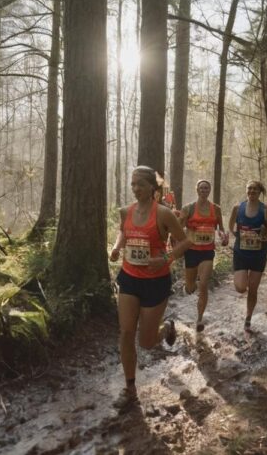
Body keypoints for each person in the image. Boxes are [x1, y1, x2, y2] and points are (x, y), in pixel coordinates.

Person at [109, 166, 191, 409]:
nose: (135, 189)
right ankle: (130, 389)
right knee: (125, 333)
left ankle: (166, 328)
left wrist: (166, 258)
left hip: (156, 281)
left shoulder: (164, 214)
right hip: (130, 278)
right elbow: (122, 234)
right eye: (132, 184)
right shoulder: (126, 212)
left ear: (151, 188)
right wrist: (116, 247)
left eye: (140, 185)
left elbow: (185, 242)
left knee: (146, 342)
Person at [228, 181, 267, 332]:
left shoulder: (266, 210)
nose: (251, 191)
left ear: (259, 192)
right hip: (241, 253)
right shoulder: (237, 208)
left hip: (258, 254)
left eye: (255, 189)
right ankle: (241, 286)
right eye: (249, 188)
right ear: (246, 190)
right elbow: (231, 226)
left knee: (253, 289)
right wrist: (235, 235)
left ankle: (248, 317)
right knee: (241, 288)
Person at [180, 179, 229, 332]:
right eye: (201, 187)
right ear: (197, 190)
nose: (204, 190)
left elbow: (221, 228)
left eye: (206, 188)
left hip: (207, 251)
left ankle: (199, 319)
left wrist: (223, 236)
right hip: (191, 251)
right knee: (190, 287)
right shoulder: (188, 208)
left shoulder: (216, 209)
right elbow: (178, 227)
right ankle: (187, 286)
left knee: (203, 285)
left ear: (209, 190)